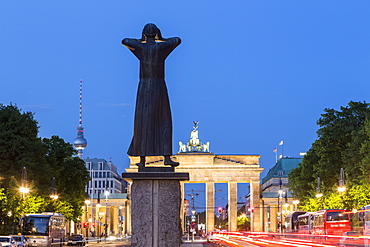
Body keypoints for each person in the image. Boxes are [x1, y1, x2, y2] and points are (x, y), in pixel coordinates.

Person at [122, 23, 181, 167]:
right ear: (156, 33)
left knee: (142, 123)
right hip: (159, 86)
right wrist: (161, 38)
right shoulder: (161, 47)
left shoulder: (141, 48)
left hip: (143, 88)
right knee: (164, 121)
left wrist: (141, 40)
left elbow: (125, 41)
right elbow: (177, 40)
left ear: (144, 34)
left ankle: (141, 160)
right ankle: (166, 157)